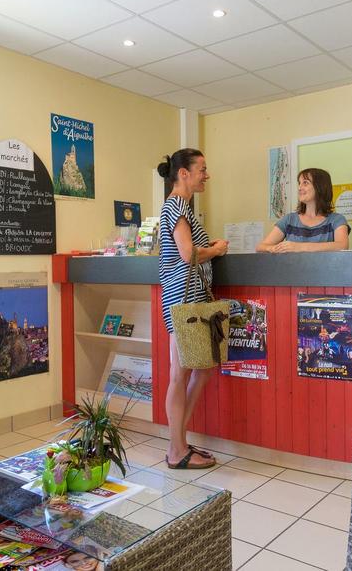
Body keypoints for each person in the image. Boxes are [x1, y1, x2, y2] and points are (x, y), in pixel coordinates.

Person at [157, 149, 228, 470]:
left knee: (201, 368)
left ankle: (179, 441)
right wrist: (216, 249)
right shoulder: (176, 205)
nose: (206, 175)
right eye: (202, 169)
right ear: (183, 173)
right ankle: (176, 450)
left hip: (190, 300)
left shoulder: (181, 208)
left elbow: (185, 249)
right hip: (183, 301)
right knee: (180, 373)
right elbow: (187, 254)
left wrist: (207, 247)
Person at [256, 168, 349, 253]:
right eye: (299, 183)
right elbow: (261, 247)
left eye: (305, 183)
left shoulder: (337, 220)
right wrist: (273, 248)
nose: (300, 188)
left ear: (320, 187)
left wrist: (300, 247)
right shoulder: (289, 220)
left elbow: (342, 246)